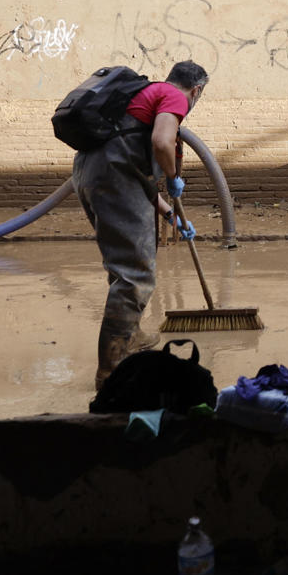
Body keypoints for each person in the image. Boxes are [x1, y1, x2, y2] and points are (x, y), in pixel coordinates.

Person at [73, 60, 209, 388]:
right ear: (197, 90)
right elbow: (162, 143)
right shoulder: (175, 97)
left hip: (90, 174)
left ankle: (129, 336)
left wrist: (168, 214)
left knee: (124, 267)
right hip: (113, 178)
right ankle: (110, 372)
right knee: (134, 275)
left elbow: (138, 173)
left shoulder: (144, 96)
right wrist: (174, 178)